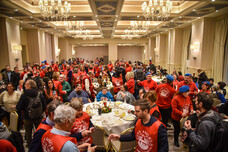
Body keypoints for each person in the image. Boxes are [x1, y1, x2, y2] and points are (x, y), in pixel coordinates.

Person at [16, 79, 47, 147]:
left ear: (29, 86)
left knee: (28, 133)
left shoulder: (24, 95)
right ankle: (40, 144)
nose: (24, 85)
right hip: (38, 117)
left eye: (25, 84)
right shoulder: (39, 94)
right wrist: (39, 112)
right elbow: (44, 106)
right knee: (39, 131)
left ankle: (30, 146)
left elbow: (19, 107)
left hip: (27, 117)